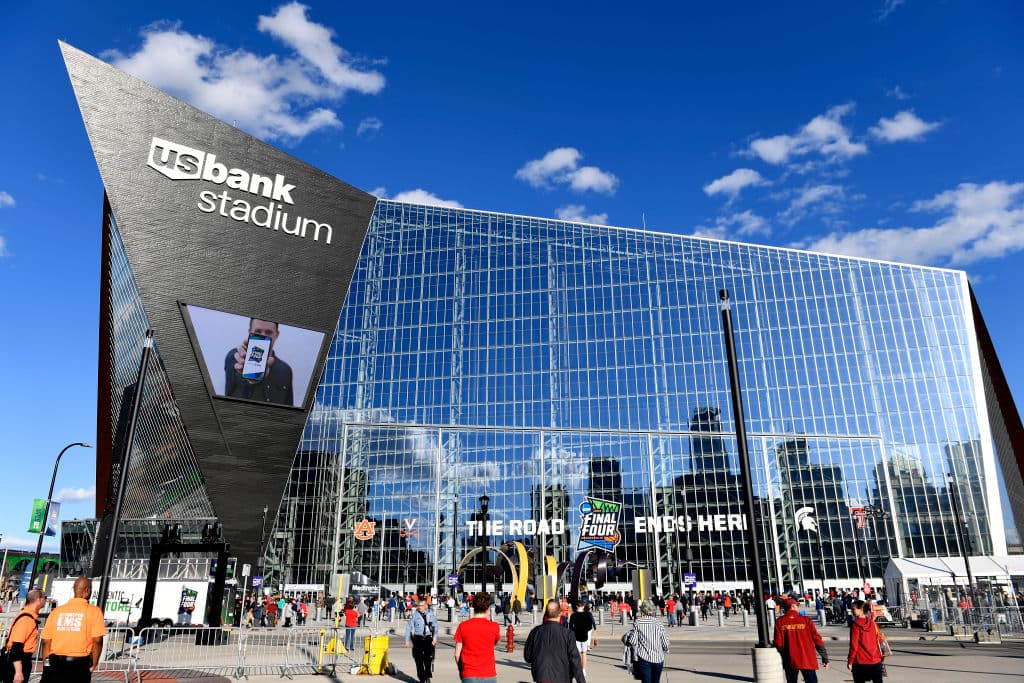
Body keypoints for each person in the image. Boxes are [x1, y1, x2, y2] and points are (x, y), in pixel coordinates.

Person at [40, 577, 106, 683]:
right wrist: (94, 663)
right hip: (79, 663)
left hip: (55, 661)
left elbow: (45, 641)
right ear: (87, 590)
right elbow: (98, 640)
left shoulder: (57, 611)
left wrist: (46, 663)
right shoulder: (94, 611)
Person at [224, 318, 294, 405]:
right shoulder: (235, 357)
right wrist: (251, 379)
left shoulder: (285, 370)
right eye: (258, 331)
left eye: (268, 332)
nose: (263, 336)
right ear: (250, 332)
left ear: (277, 334)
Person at [524, 599, 583, 683]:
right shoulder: (567, 633)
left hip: (541, 676)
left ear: (546, 614)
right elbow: (575, 661)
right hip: (562, 677)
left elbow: (528, 657)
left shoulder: (535, 631)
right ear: (560, 613)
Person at [773, 597, 829, 683]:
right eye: (797, 606)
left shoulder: (780, 622)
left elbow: (778, 643)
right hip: (807, 658)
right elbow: (817, 639)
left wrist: (784, 654)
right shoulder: (806, 620)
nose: (797, 608)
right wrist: (824, 657)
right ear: (793, 606)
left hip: (790, 659)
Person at [454, 592, 501, 683]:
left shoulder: (463, 626)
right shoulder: (494, 626)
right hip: (489, 674)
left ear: (473, 607)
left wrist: (461, 670)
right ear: (488, 608)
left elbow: (457, 654)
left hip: (469, 673)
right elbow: (495, 643)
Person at [2, 589, 46, 683]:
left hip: (20, 661)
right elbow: (16, 647)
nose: (46, 601)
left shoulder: (27, 616)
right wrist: (18, 672)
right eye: (45, 598)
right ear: (39, 600)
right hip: (19, 662)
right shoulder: (26, 619)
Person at [621, 599, 670, 683]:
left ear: (643, 610)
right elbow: (666, 644)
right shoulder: (659, 623)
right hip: (658, 659)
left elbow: (633, 641)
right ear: (653, 609)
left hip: (644, 659)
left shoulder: (638, 622)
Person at [847, 600, 885, 683]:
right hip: (875, 660)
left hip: (860, 661)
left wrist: (850, 660)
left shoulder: (855, 625)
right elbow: (880, 639)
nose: (852, 611)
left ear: (861, 610)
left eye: (854, 609)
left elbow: (854, 645)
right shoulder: (873, 623)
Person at [405, 598, 439, 683]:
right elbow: (409, 627)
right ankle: (421, 678)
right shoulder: (415, 615)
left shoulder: (430, 614)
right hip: (418, 639)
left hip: (428, 638)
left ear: (425, 606)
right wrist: (407, 640)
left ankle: (427, 675)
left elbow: (435, 627)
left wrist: (435, 637)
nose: (420, 607)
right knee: (418, 660)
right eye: (419, 605)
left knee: (428, 659)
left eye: (422, 605)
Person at [568, 601, 597, 674]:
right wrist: (585, 629)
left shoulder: (573, 615)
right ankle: (583, 669)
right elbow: (590, 626)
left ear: (577, 606)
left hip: (576, 636)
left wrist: (574, 631)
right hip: (584, 636)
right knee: (584, 653)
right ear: (583, 607)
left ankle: (577, 669)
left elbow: (570, 627)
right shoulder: (587, 615)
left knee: (576, 654)